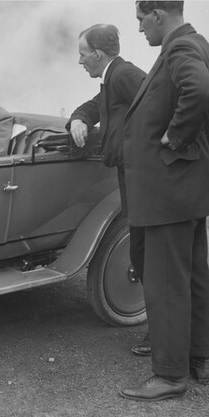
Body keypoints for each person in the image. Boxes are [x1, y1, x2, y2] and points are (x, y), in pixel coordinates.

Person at [119, 0, 209, 402]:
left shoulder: (181, 47)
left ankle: (170, 375)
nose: (140, 29)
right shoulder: (196, 43)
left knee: (167, 281)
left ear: (158, 14)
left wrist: (176, 136)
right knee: (192, 275)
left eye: (141, 19)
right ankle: (197, 357)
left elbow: (200, 89)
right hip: (185, 186)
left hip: (169, 188)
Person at [66, 24, 150, 355]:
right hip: (131, 174)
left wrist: (137, 148)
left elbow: (159, 107)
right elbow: (94, 105)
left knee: (148, 253)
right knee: (142, 250)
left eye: (82, 54)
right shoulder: (112, 76)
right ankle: (159, 329)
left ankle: (160, 332)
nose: (80, 61)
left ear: (98, 54)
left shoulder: (126, 74)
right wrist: (78, 119)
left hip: (142, 175)